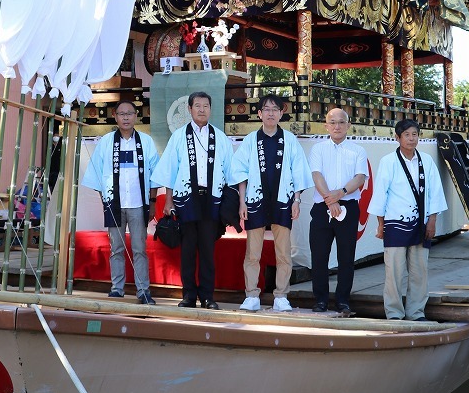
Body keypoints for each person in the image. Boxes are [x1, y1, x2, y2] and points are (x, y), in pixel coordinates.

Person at [152, 91, 234, 310]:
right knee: (187, 249)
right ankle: (188, 294)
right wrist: (168, 201)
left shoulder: (220, 137)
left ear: (210, 109)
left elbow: (230, 172)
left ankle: (207, 296)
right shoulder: (179, 136)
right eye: (197, 106)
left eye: (205, 106)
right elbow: (170, 170)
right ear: (189, 109)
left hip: (211, 199)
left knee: (207, 249)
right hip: (186, 199)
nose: (201, 110)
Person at [232, 94, 313, 313]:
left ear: (281, 113)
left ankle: (281, 295)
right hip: (255, 200)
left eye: (274, 109)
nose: (270, 113)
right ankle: (251, 295)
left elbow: (299, 172)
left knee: (284, 252)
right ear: (259, 114)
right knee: (252, 252)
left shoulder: (289, 140)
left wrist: (296, 200)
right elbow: (239, 172)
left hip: (283, 201)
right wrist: (242, 201)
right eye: (266, 109)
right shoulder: (250, 140)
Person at [368, 119, 448, 321]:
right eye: (407, 135)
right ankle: (394, 313)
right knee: (394, 271)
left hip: (421, 222)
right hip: (395, 221)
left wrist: (432, 221)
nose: (411, 139)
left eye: (415, 134)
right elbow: (380, 194)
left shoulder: (427, 161)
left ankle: (416, 312)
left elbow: (435, 192)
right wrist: (380, 223)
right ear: (398, 138)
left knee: (419, 270)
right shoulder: (389, 161)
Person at [82, 101, 160, 304]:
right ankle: (117, 288)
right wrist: (105, 201)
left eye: (130, 113)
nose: (126, 117)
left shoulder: (146, 142)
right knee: (116, 248)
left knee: (139, 249)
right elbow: (96, 175)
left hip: (138, 203)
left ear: (136, 116)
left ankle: (143, 290)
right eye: (121, 114)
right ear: (115, 116)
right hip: (114, 203)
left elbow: (154, 174)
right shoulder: (106, 142)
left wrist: (151, 203)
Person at [309, 108, 369, 316]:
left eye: (341, 122)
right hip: (321, 208)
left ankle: (343, 301)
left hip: (349, 206)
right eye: (332, 122)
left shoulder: (358, 150)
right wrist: (330, 199)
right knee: (319, 256)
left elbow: (360, 178)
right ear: (326, 125)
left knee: (346, 257)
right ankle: (321, 301)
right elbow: (316, 175)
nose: (337, 126)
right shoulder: (318, 149)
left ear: (348, 125)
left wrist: (340, 193)